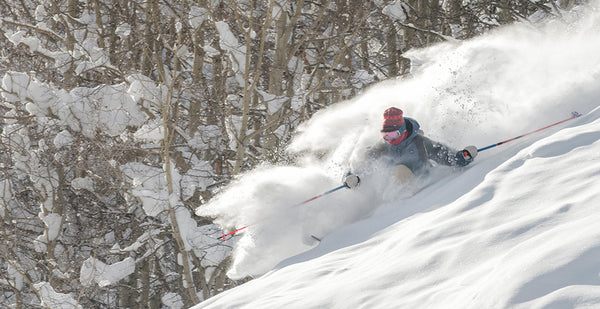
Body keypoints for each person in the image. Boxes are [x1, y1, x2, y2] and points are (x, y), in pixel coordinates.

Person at [343, 107, 477, 188]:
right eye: (385, 135)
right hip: (392, 187)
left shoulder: (420, 142)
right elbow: (363, 165)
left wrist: (464, 156)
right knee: (392, 170)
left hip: (421, 185)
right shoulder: (382, 146)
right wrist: (352, 178)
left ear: (404, 131)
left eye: (393, 134)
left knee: (400, 170)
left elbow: (446, 156)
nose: (389, 139)